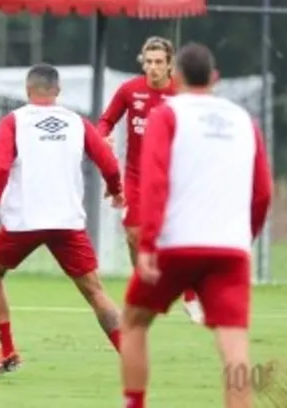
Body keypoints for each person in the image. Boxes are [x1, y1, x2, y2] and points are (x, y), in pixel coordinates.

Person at [119, 43, 272, 408]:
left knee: (134, 322)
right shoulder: (244, 121)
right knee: (234, 345)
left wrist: (148, 245)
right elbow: (263, 191)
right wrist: (244, 237)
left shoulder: (169, 115)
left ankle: (135, 403)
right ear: (215, 78)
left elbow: (154, 184)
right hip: (230, 250)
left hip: (177, 244)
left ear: (178, 76)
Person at [0, 63, 125, 375]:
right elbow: (108, 162)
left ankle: (8, 351)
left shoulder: (13, 122)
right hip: (66, 221)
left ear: (28, 90)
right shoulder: (77, 122)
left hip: (24, 223)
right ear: (58, 91)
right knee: (95, 291)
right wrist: (116, 189)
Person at [97, 36, 204, 324]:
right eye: (149, 62)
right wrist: (103, 134)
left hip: (173, 176)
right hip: (136, 176)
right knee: (133, 234)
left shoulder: (181, 94)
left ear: (170, 65)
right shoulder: (130, 90)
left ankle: (191, 295)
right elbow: (106, 120)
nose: (153, 68)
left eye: (159, 62)